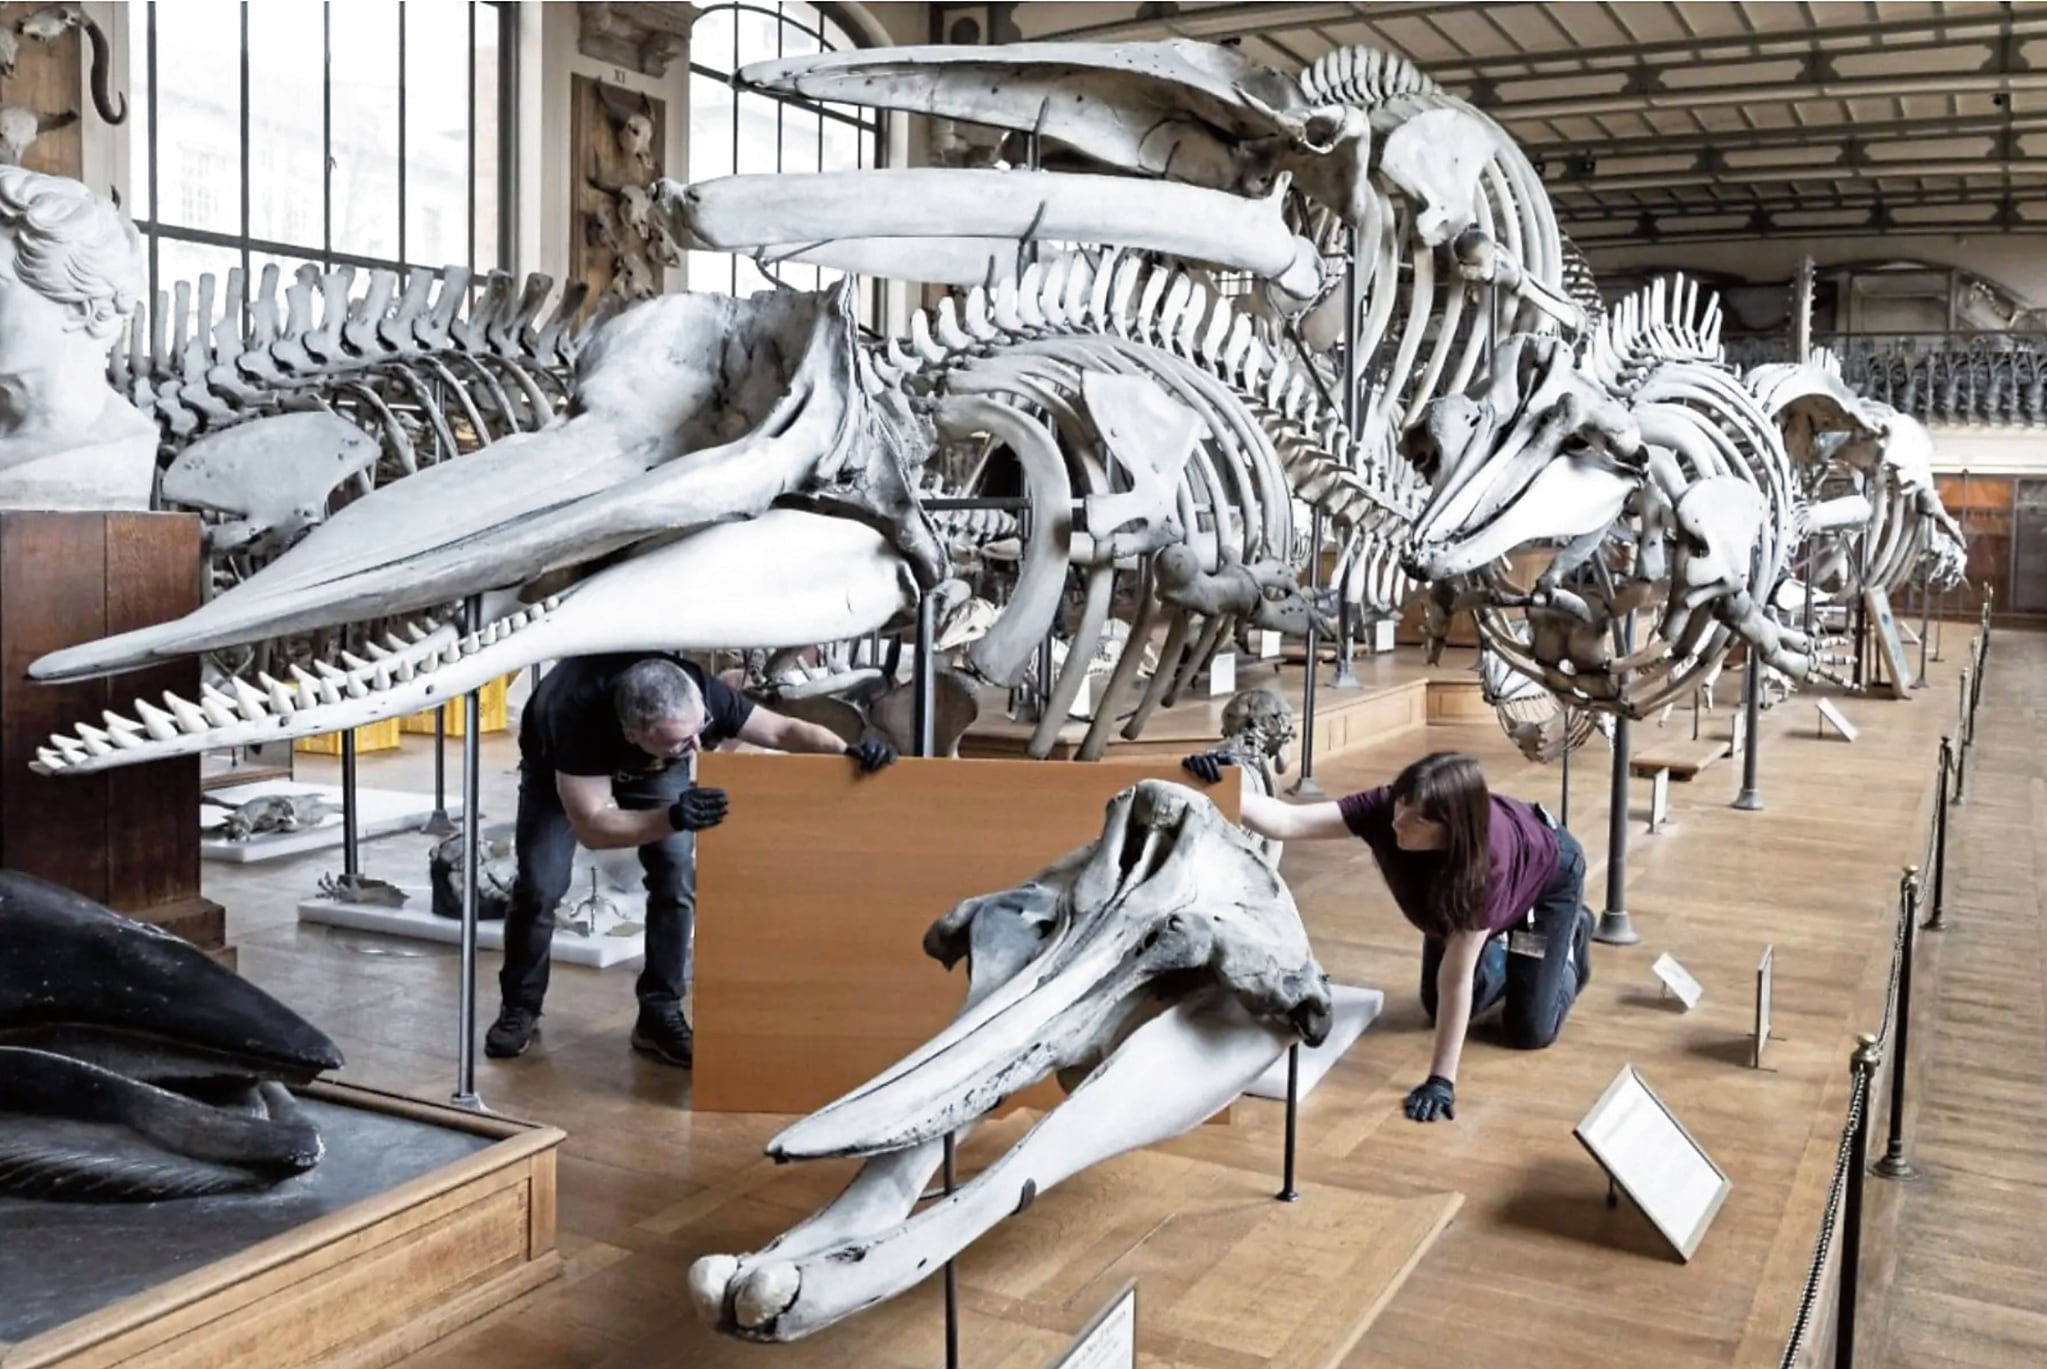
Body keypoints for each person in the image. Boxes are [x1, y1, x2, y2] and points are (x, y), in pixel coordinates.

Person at [486, 652, 896, 1067]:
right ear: (633, 733)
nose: (698, 746)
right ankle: (520, 1005)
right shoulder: (572, 715)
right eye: (684, 740)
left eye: (700, 731)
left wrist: (848, 751)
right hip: (557, 768)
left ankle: (659, 1014)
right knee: (540, 886)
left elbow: (783, 730)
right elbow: (594, 826)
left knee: (676, 877)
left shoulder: (699, 695)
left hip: (656, 764)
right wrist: (672, 816)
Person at [1181, 748, 1591, 1123]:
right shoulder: (1387, 807)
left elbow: (1457, 977)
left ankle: (1568, 943)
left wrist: (1441, 1079)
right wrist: (1219, 786)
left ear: (1450, 829)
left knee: (1529, 1030)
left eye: (1419, 818)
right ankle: (1500, 944)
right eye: (1403, 801)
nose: (1399, 819)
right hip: (1459, 912)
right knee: (1436, 1007)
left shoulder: (1486, 866)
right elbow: (1288, 821)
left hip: (1547, 878)